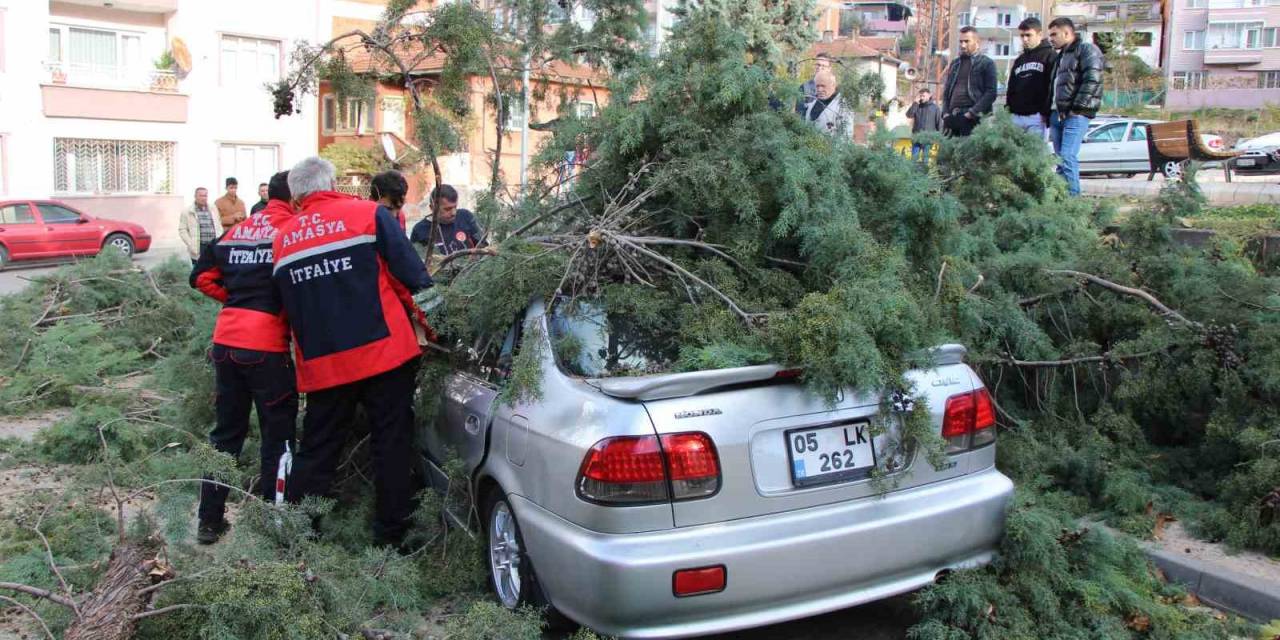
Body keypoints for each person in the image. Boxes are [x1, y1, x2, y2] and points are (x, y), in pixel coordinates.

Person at [272, 157, 432, 547]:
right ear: (333, 182)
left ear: (296, 197)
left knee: (318, 451)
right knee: (391, 443)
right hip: (385, 354)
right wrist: (437, 327)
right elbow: (413, 279)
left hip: (324, 366)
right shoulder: (367, 214)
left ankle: (302, 533)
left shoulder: (282, 240)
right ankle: (391, 537)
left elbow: (284, 309)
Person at [189, 171, 299, 544]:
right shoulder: (292, 230)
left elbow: (200, 277)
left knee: (225, 435)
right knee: (278, 437)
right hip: (265, 347)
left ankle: (209, 521)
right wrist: (267, 312)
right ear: (297, 198)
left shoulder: (240, 229)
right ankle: (275, 524)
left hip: (226, 341)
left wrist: (236, 302)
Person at [1047, 17, 1105, 196]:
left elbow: (1093, 79)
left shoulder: (1086, 49)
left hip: (1075, 114)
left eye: (1054, 34)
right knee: (1060, 159)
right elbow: (1055, 86)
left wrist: (1076, 108)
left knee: (1067, 156)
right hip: (1057, 113)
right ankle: (1060, 199)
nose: (1051, 38)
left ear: (1067, 33)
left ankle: (1073, 202)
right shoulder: (1060, 57)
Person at [942, 26, 998, 137]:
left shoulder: (986, 63)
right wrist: (945, 113)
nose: (962, 45)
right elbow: (947, 91)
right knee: (948, 153)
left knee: (970, 153)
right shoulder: (955, 63)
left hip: (973, 117)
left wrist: (972, 113)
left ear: (977, 42)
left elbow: (991, 92)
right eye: (961, 42)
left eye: (967, 41)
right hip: (952, 115)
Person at [1006, 17, 1056, 138]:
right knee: (1014, 155)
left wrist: (1045, 112)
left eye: (1028, 35)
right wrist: (1008, 110)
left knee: (1034, 155)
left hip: (1037, 117)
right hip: (1016, 116)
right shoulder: (1020, 59)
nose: (1025, 39)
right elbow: (1011, 87)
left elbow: (1052, 85)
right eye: (1022, 36)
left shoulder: (1050, 55)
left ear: (1039, 34)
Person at [410, 184, 484, 256]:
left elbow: (483, 245)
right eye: (447, 209)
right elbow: (417, 261)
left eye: (455, 207)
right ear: (432, 208)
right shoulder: (420, 230)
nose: (453, 213)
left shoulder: (466, 217)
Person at [802, 69, 854, 139]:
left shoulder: (844, 107)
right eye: (817, 86)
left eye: (823, 86)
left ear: (833, 85)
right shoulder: (811, 104)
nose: (820, 89)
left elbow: (846, 138)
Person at [179, 187, 221, 266]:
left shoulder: (213, 208)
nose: (203, 198)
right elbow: (182, 230)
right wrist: (190, 244)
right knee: (198, 273)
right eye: (201, 196)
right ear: (195, 196)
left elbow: (218, 225)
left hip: (212, 246)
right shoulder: (188, 211)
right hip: (199, 247)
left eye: (205, 196)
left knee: (212, 272)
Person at [906, 88, 943, 163]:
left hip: (928, 139)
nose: (922, 98)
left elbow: (939, 124)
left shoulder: (935, 108)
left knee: (925, 162)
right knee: (913, 161)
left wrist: (940, 138)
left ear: (929, 96)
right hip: (916, 138)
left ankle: (924, 174)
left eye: (923, 96)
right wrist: (915, 103)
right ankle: (913, 174)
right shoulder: (917, 106)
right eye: (920, 96)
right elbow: (909, 115)